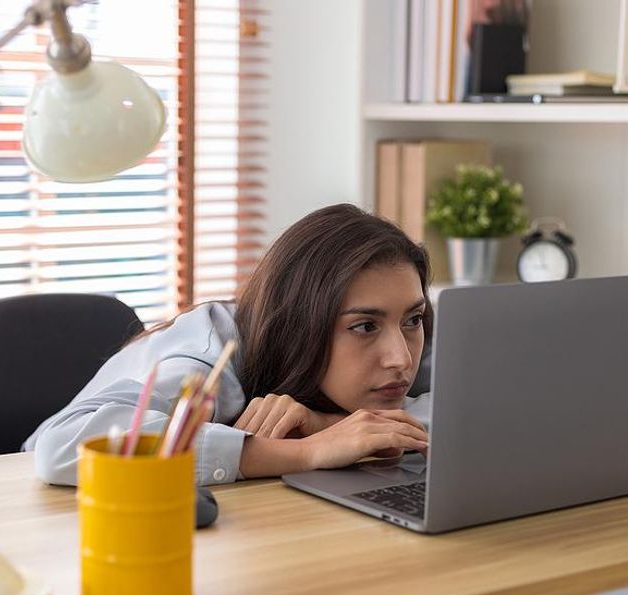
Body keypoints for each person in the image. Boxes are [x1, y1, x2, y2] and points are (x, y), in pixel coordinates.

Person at [24, 203, 433, 486]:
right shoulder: (211, 352)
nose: (400, 358)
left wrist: (330, 425)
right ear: (300, 323)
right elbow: (61, 448)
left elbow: (481, 412)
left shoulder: (405, 347)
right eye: (364, 327)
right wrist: (304, 452)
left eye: (413, 320)